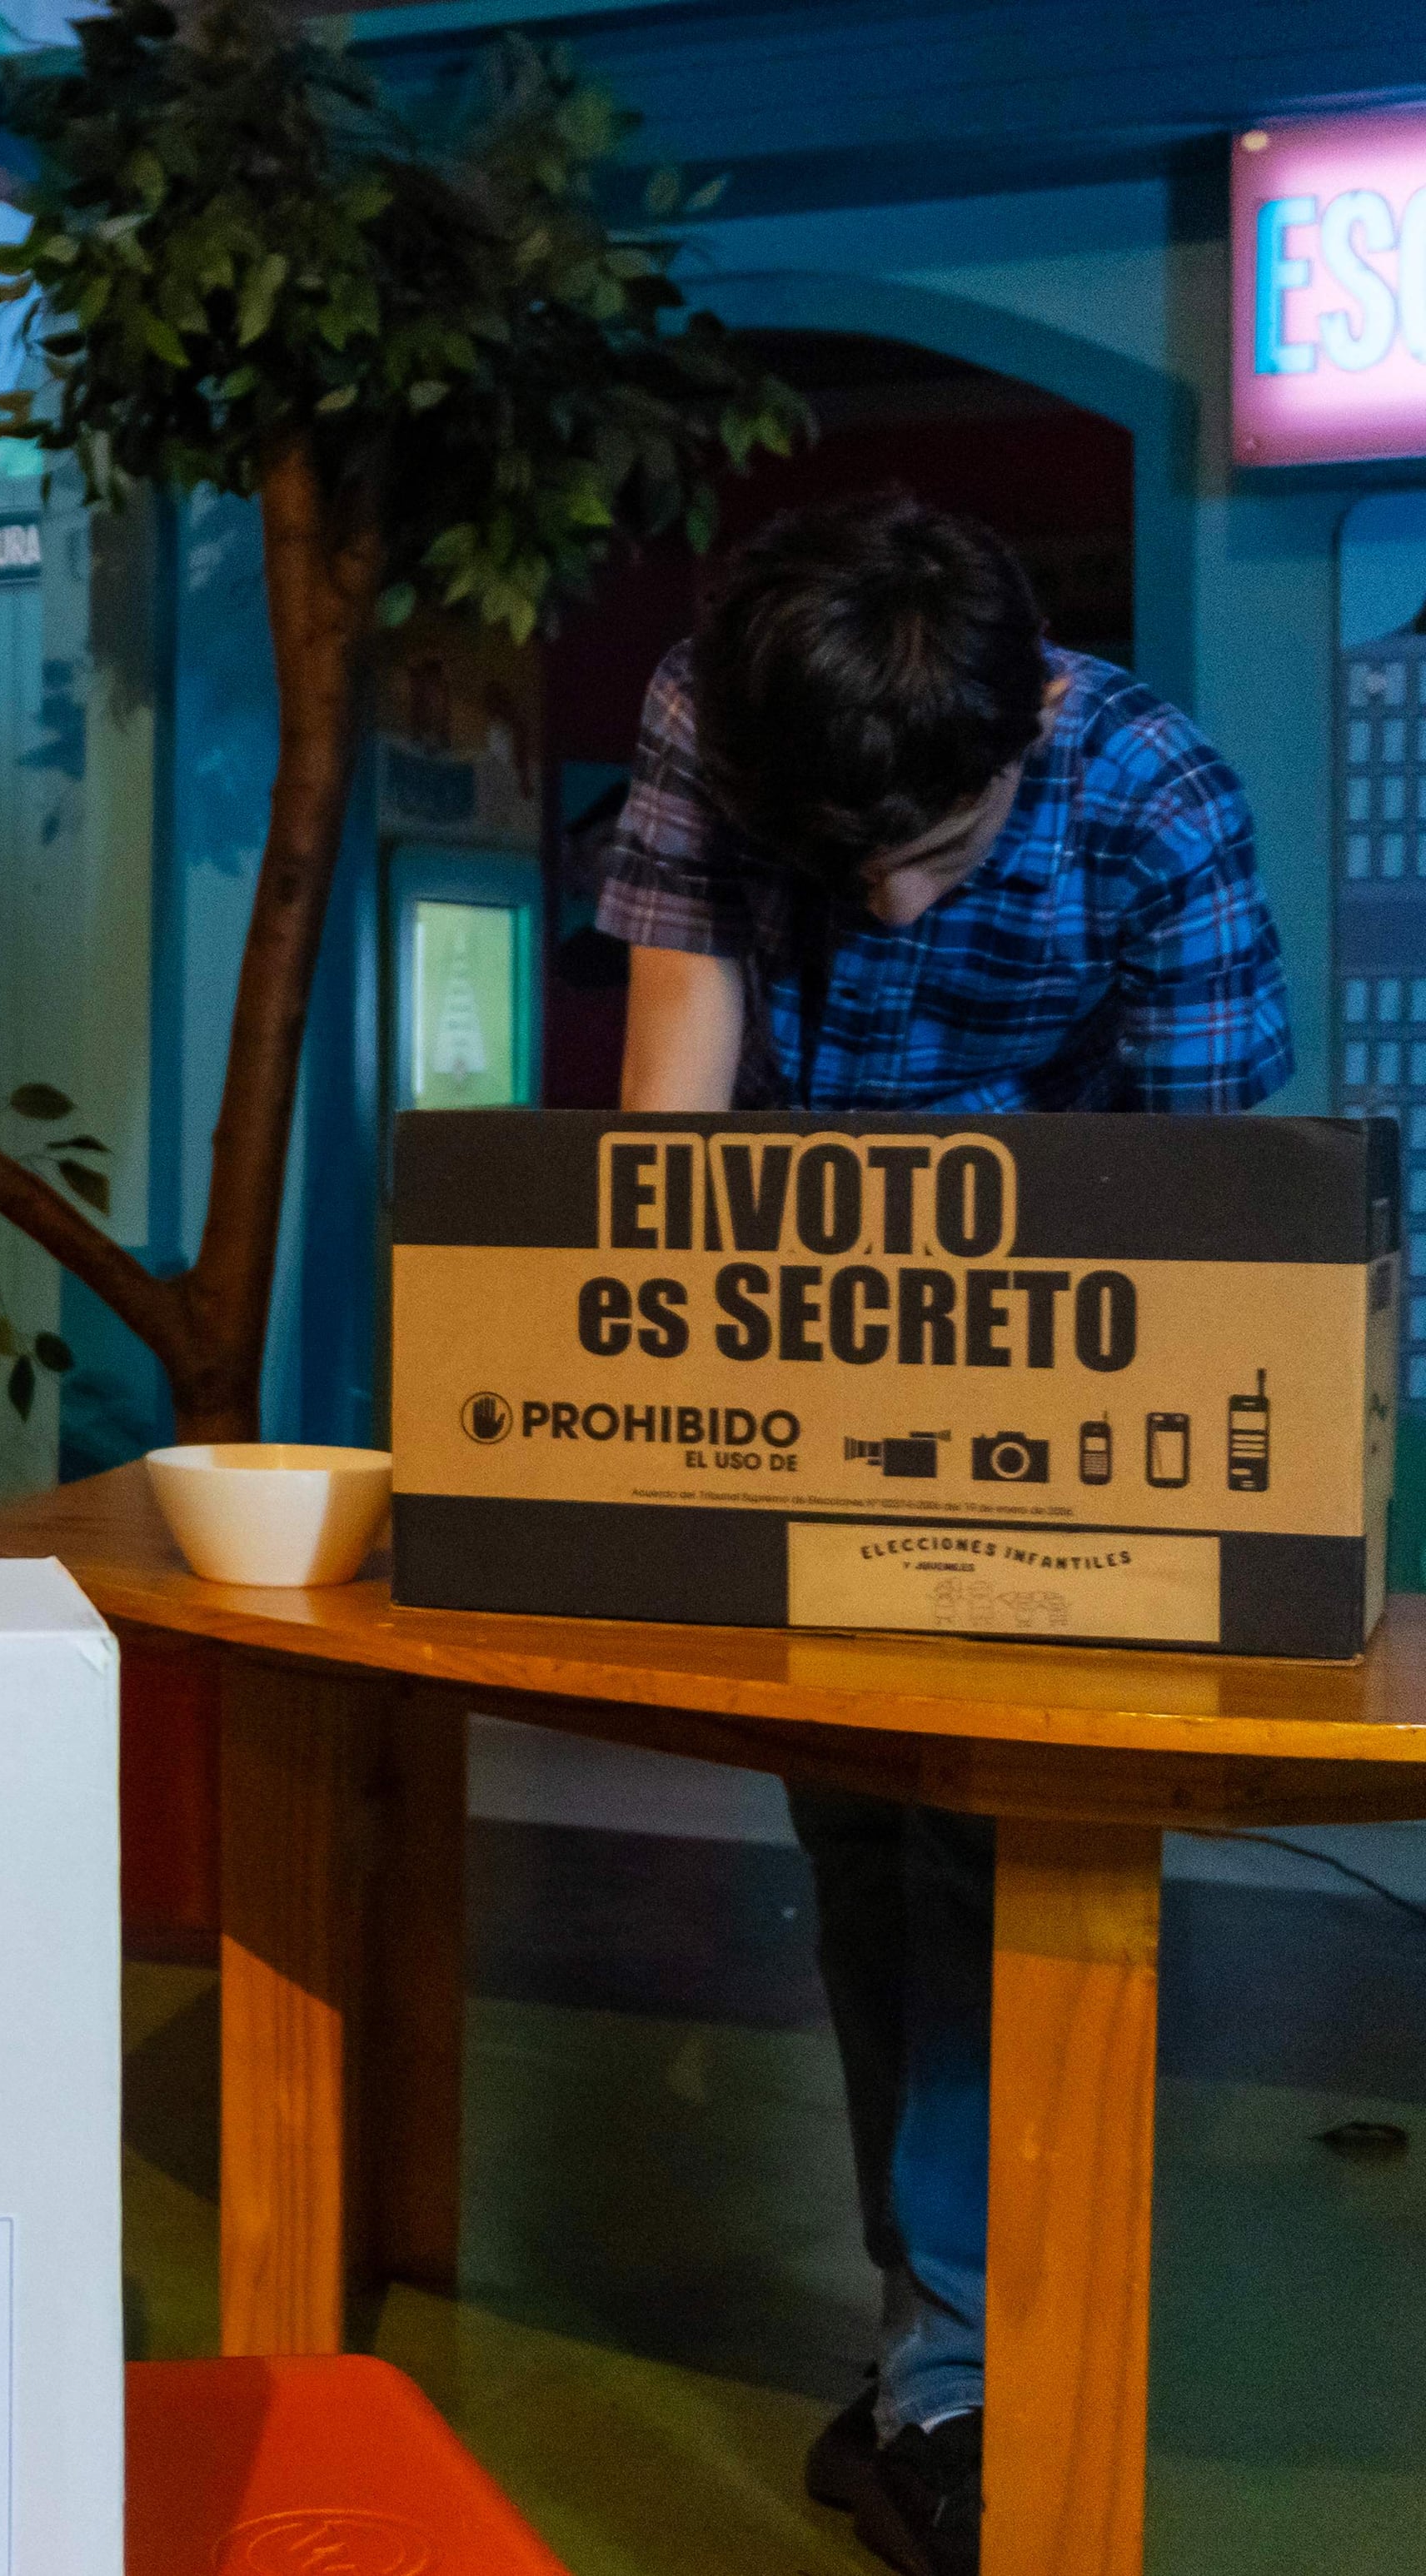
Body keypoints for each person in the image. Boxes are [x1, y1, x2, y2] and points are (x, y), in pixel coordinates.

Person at [606, 488, 1289, 2576]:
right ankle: (943, 2345)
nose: (890, 910)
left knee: (998, 1840)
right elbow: (671, 1144)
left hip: (1069, 1372)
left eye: (944, 848)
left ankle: (974, 2362)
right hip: (802, 1342)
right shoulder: (711, 719)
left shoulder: (1150, 793)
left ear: (1024, 738)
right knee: (861, 1833)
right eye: (848, 860)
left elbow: (1221, 1219)